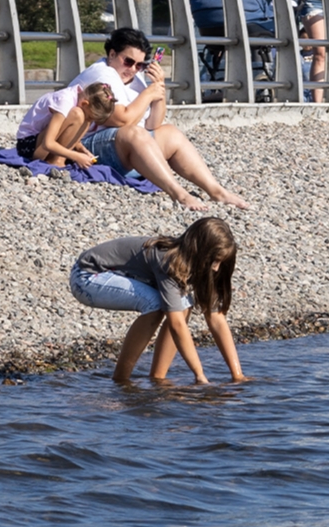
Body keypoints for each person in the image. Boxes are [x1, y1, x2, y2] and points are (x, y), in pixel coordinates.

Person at [69, 27, 249, 211]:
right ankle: (179, 194)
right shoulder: (102, 75)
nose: (132, 69)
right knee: (135, 133)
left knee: (170, 132)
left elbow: (153, 124)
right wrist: (148, 94)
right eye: (128, 61)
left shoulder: (134, 77)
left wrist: (159, 88)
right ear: (112, 54)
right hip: (86, 147)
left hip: (124, 147)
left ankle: (216, 191)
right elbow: (120, 120)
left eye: (139, 65)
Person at [69, 217, 246, 385]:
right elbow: (176, 324)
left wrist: (237, 376)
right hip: (87, 277)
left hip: (119, 275)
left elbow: (216, 318)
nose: (216, 268)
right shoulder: (168, 260)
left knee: (183, 305)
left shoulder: (203, 266)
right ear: (198, 251)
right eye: (213, 261)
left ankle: (157, 379)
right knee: (155, 305)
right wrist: (200, 376)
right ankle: (121, 380)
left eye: (220, 262)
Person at [15, 81, 116, 168]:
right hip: (29, 146)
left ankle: (58, 159)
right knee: (78, 114)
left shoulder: (78, 97)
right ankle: (56, 161)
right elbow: (48, 143)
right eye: (90, 116)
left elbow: (65, 131)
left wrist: (82, 150)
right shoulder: (65, 102)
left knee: (82, 117)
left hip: (42, 143)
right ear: (85, 104)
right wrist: (75, 156)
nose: (89, 121)